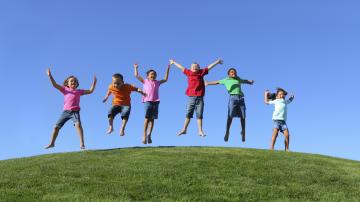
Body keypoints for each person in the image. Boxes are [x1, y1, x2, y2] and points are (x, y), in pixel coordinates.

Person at [45, 67, 97, 150]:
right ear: (67, 84)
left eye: (75, 81)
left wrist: (94, 83)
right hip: (65, 112)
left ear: (77, 84)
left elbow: (90, 91)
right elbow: (55, 85)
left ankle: (82, 143)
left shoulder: (79, 91)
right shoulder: (65, 89)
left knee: (78, 125)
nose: (73, 82)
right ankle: (52, 143)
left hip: (74, 112)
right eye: (71, 81)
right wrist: (50, 76)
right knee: (56, 127)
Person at [171, 58, 223, 137]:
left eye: (196, 66)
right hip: (191, 97)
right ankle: (184, 129)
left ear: (199, 68)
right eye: (193, 66)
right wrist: (173, 62)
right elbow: (181, 67)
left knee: (199, 114)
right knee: (188, 113)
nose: (195, 67)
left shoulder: (201, 72)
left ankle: (200, 131)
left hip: (200, 97)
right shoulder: (188, 72)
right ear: (190, 68)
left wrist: (217, 62)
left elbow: (209, 67)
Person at [205, 68, 254, 142]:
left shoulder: (238, 79)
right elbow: (217, 82)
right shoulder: (226, 80)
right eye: (231, 72)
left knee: (243, 116)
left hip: (241, 98)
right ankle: (227, 131)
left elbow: (244, 81)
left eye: (234, 72)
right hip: (232, 98)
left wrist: (249, 82)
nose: (233, 73)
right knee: (230, 115)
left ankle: (243, 131)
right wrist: (208, 83)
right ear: (228, 74)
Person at [134, 62, 171, 144]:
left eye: (154, 74)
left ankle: (149, 135)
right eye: (151, 74)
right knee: (147, 118)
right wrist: (136, 68)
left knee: (152, 119)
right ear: (147, 76)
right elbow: (136, 76)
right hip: (147, 100)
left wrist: (168, 69)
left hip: (156, 101)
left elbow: (165, 79)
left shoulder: (157, 82)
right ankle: (144, 135)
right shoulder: (145, 81)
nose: (153, 75)